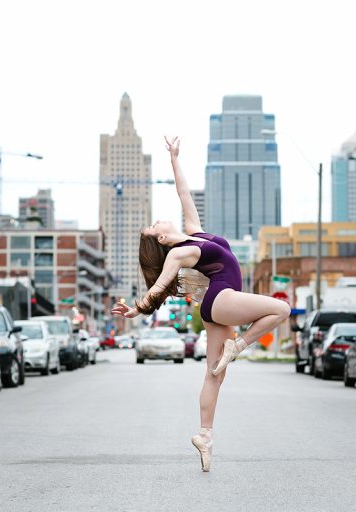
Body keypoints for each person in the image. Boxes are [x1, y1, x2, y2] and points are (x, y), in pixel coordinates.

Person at [111, 136, 291, 472]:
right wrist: (137, 309)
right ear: (161, 238)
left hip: (217, 306)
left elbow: (184, 194)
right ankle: (238, 347)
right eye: (153, 226)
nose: (157, 220)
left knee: (214, 374)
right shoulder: (179, 253)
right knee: (280, 309)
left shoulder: (195, 233)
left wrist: (174, 158)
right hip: (221, 299)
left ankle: (204, 436)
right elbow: (160, 286)